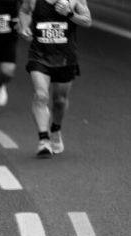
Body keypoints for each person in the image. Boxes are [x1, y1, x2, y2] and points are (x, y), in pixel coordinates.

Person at [18, 0, 91, 158]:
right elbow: (24, 11)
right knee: (41, 95)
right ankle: (43, 140)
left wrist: (69, 14)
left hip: (65, 58)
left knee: (59, 101)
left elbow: (87, 20)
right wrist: (24, 27)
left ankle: (56, 129)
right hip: (39, 55)